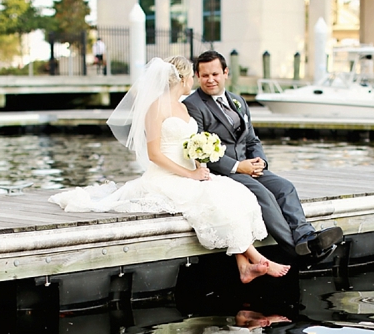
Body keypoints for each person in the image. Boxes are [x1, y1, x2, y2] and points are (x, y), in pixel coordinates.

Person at [50, 56, 290, 284]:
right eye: (192, 78)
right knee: (212, 199)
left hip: (190, 172)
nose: (195, 82)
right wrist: (190, 175)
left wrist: (200, 161)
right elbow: (155, 154)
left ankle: (243, 266)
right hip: (165, 177)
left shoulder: (182, 107)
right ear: (184, 79)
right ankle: (255, 258)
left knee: (235, 193)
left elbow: (188, 146)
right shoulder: (156, 107)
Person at [184, 50, 343, 259]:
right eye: (204, 76)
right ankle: (298, 251)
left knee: (285, 188)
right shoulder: (193, 105)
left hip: (251, 167)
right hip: (223, 172)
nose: (210, 80)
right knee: (265, 196)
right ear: (197, 76)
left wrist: (261, 162)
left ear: (225, 72)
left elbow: (252, 140)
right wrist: (237, 166)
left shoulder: (238, 100)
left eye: (215, 74)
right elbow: (199, 151)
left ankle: (306, 236)